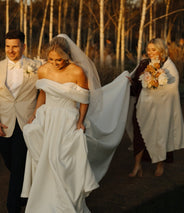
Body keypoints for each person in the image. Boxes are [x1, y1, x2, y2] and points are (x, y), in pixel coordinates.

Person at [21, 34, 131, 212]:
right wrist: (34, 114)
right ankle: (45, 204)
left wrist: (80, 121)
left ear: (67, 56)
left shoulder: (77, 72)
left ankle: (66, 202)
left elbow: (85, 99)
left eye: (59, 59)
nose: (55, 63)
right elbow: (42, 93)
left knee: (60, 159)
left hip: (67, 118)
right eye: (51, 59)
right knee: (44, 159)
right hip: (47, 117)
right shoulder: (43, 70)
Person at [0, 30, 40, 213]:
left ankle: (13, 206)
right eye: (8, 46)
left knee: (17, 166)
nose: (11, 50)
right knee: (9, 161)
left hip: (28, 124)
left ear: (23, 46)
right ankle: (25, 192)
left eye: (15, 46)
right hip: (5, 124)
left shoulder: (36, 66)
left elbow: (48, 89)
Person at [126, 38, 184, 177]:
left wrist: (155, 83)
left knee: (161, 135)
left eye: (153, 49)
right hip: (142, 108)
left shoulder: (169, 67)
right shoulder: (143, 64)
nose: (150, 52)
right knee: (139, 135)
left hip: (161, 110)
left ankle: (160, 164)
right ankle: (137, 166)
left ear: (161, 50)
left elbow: (171, 89)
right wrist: (132, 83)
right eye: (148, 49)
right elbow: (137, 87)